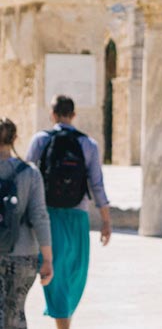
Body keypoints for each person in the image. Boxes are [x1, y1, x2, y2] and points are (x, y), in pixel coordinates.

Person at [25, 96, 112, 329]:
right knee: (74, 275)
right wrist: (106, 221)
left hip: (48, 216)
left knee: (57, 276)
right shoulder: (88, 144)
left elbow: (27, 180)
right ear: (74, 115)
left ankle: (63, 324)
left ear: (53, 114)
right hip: (78, 217)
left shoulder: (40, 140)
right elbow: (97, 185)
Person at [0, 118, 53, 329]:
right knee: (16, 314)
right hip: (23, 254)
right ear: (15, 138)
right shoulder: (30, 173)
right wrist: (47, 259)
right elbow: (40, 216)